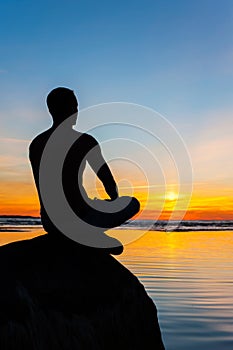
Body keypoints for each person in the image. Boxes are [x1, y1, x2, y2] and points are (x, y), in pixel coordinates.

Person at [29, 87, 140, 253]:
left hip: (50, 223)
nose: (76, 111)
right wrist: (113, 201)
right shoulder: (85, 142)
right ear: (67, 109)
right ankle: (88, 235)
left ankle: (86, 235)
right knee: (132, 203)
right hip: (82, 218)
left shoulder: (36, 144)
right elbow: (108, 181)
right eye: (74, 107)